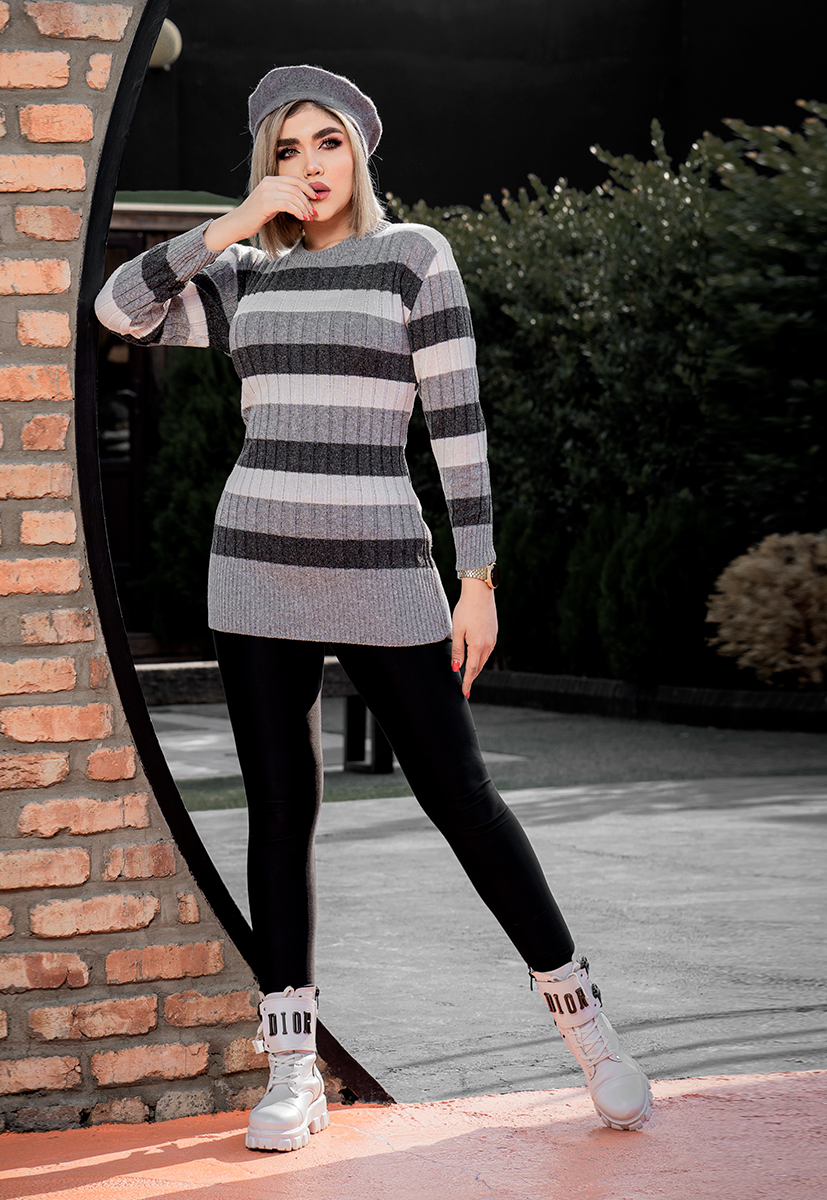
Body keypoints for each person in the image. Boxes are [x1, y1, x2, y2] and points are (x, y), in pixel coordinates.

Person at [96, 64, 653, 1150]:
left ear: (359, 150)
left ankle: (591, 1031)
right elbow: (118, 307)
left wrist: (477, 578)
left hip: (387, 568)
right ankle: (291, 1069)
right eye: (287, 149)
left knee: (463, 800)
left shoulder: (414, 257)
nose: (310, 166)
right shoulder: (245, 278)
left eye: (328, 143)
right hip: (254, 569)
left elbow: (458, 424)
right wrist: (230, 226)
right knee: (279, 814)